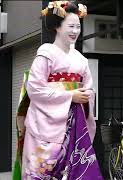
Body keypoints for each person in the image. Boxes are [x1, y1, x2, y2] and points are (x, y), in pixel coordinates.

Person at [12, 1, 103, 179]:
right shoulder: (46, 53)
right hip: (45, 123)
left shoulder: (81, 59)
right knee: (41, 171)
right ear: (57, 27)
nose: (75, 31)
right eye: (70, 26)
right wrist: (71, 96)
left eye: (78, 26)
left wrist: (85, 95)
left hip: (74, 123)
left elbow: (88, 88)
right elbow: (35, 89)